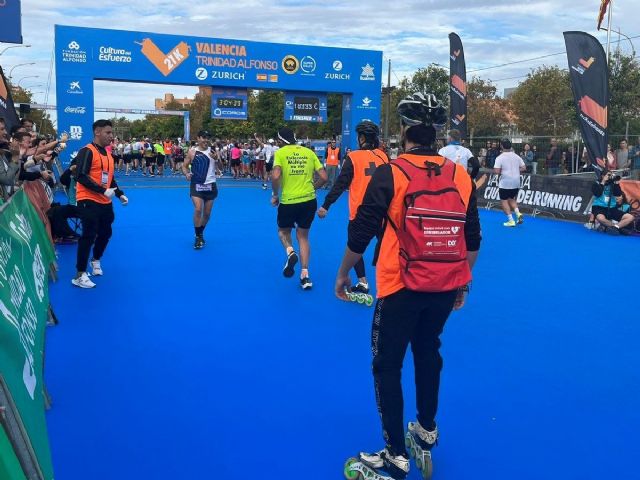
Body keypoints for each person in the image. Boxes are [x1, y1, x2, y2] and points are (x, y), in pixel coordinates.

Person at [336, 92, 481, 480]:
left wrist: (342, 275)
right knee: (428, 350)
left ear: (403, 131)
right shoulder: (460, 175)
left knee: (387, 364)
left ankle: (395, 455)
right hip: (446, 284)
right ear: (435, 133)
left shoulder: (393, 171)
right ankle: (427, 430)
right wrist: (462, 285)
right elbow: (472, 238)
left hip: (399, 283)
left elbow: (361, 231)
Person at [317, 121, 389, 294]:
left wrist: (326, 205)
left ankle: (363, 281)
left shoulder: (354, 157)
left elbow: (340, 184)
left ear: (362, 138)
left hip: (360, 214)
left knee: (355, 247)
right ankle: (390, 282)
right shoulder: (383, 156)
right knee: (386, 247)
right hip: (383, 213)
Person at [72, 119, 129, 289]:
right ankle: (80, 274)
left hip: (105, 200)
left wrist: (119, 194)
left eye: (111, 133)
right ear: (97, 132)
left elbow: (109, 178)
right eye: (108, 132)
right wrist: (102, 190)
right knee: (88, 235)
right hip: (87, 199)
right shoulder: (87, 151)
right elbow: (80, 176)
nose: (111, 136)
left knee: (105, 233)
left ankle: (95, 260)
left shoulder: (108, 154)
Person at [271, 127, 327, 289]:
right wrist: (313, 188)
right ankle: (305, 276)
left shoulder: (281, 153)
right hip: (309, 201)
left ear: (281, 140)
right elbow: (324, 177)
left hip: (289, 201)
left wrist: (275, 194)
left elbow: (275, 176)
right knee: (303, 237)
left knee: (283, 231)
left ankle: (290, 252)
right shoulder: (309, 153)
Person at [182, 130, 218, 249]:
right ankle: (198, 237)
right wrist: (186, 174)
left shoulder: (213, 151)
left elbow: (221, 167)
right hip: (196, 184)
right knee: (198, 209)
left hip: (211, 185)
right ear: (198, 138)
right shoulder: (192, 152)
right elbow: (184, 166)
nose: (205, 140)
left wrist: (217, 158)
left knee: (207, 214)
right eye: (203, 137)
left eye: (207, 137)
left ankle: (200, 232)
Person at [591, 170, 635, 235]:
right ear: (603, 176)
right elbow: (597, 193)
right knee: (600, 218)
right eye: (608, 175)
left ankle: (615, 227)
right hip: (599, 208)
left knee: (630, 217)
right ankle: (618, 228)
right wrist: (603, 181)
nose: (610, 177)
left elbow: (618, 194)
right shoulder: (596, 183)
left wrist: (616, 183)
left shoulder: (613, 184)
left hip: (612, 208)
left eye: (611, 175)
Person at [494, 139, 526, 227]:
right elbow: (523, 168)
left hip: (505, 182)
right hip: (516, 181)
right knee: (512, 199)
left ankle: (511, 220)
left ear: (501, 146)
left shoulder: (499, 157)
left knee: (504, 201)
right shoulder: (517, 156)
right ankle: (518, 213)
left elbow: (496, 171)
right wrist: (515, 170)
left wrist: (503, 171)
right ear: (510, 146)